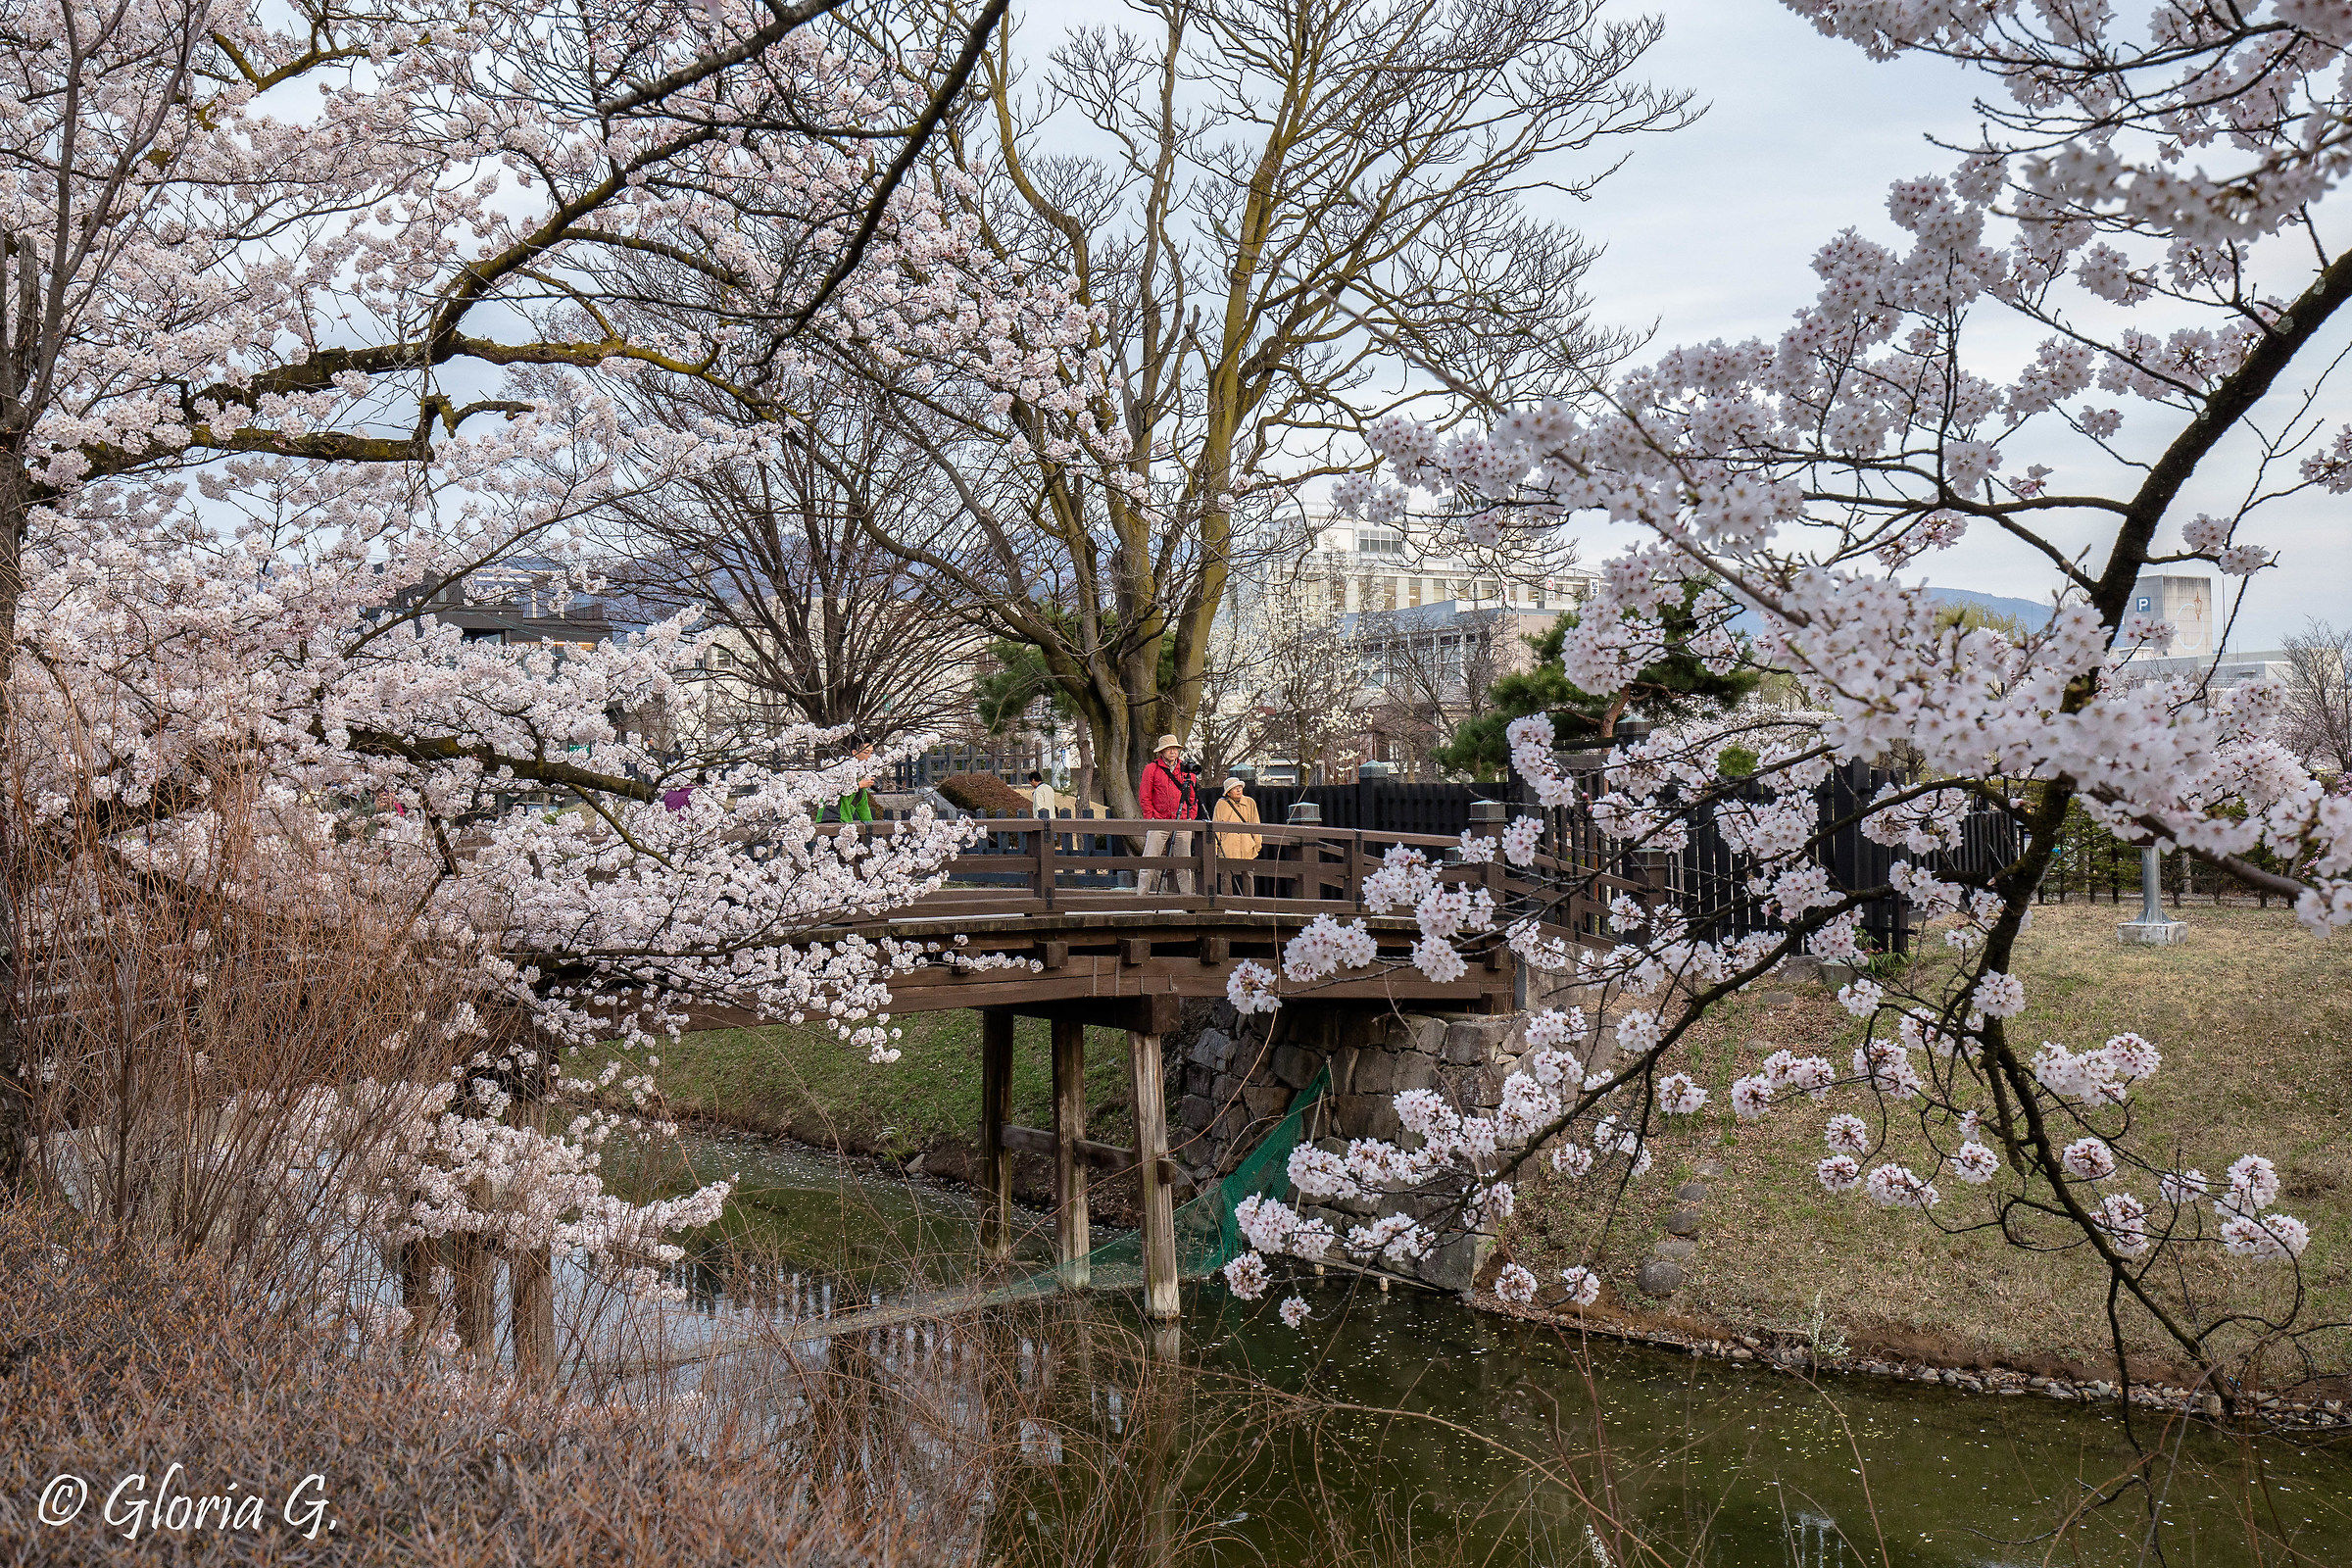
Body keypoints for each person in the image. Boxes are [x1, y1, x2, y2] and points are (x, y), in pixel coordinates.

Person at [1138, 733, 1197, 895]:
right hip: (1160, 819)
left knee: (1184, 865)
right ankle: (1140, 898)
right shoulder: (1152, 769)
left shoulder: (1186, 769)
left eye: (1175, 748)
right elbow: (1145, 796)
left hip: (1182, 820)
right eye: (1168, 749)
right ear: (1161, 752)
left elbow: (1193, 797)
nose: (1172, 752)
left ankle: (1187, 900)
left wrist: (1189, 816)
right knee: (1149, 861)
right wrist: (1151, 818)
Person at [1211, 776, 1261, 896]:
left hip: (1246, 843)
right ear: (1228, 792)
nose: (1239, 790)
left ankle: (1249, 903)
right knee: (1226, 874)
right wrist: (1215, 848)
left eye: (1240, 787)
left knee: (1248, 874)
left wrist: (1257, 843)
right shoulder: (1221, 804)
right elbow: (1216, 826)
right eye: (1235, 788)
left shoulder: (1250, 802)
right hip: (1228, 843)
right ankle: (1228, 902)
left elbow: (1256, 823)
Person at [831, 738, 876, 823]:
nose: (870, 756)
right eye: (866, 752)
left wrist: (872, 828)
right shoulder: (843, 767)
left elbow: (863, 806)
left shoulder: (860, 775)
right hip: (830, 817)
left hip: (845, 821)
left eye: (871, 753)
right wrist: (859, 785)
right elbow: (839, 789)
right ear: (855, 752)